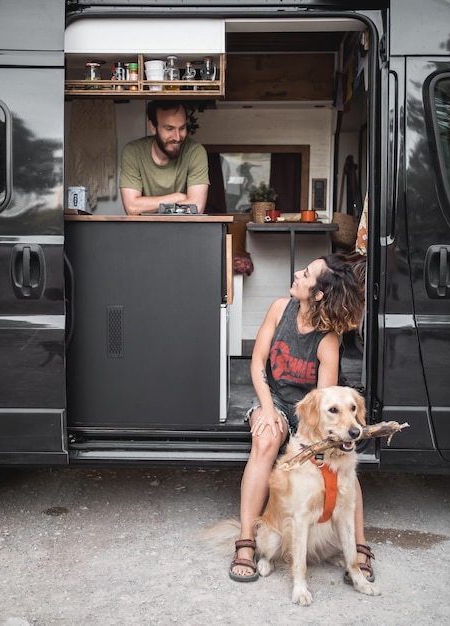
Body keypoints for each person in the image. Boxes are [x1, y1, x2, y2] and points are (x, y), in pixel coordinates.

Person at [230, 254, 374, 584]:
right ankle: (246, 544)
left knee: (341, 458)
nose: (297, 274)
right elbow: (257, 363)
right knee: (265, 439)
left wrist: (318, 444)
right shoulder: (281, 308)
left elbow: (322, 403)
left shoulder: (328, 340)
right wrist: (266, 409)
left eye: (306, 274)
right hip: (276, 398)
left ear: (319, 294)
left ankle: (359, 546)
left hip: (312, 410)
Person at [119, 101, 209, 215]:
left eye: (182, 128)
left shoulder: (195, 152)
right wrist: (177, 197)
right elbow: (132, 207)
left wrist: (148, 205)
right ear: (153, 127)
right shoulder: (133, 152)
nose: (177, 137)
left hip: (185, 230)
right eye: (169, 128)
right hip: (144, 230)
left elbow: (197, 207)